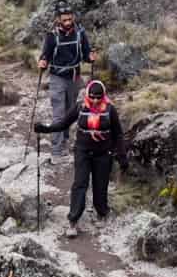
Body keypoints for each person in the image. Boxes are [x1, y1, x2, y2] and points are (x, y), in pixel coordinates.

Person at [33, 79, 128, 239]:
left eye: (99, 97)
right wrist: (45, 128)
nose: (95, 100)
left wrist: (121, 155)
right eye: (92, 96)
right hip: (83, 151)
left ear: (103, 95)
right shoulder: (80, 107)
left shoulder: (110, 110)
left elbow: (118, 134)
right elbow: (63, 124)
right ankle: (73, 220)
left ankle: (102, 213)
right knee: (80, 184)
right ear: (87, 95)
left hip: (103, 153)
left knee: (100, 185)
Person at [36, 10, 93, 164]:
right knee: (59, 114)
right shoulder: (52, 35)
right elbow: (45, 55)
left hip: (74, 77)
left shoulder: (80, 33)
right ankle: (56, 151)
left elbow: (86, 53)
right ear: (58, 20)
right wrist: (42, 61)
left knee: (70, 112)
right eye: (64, 20)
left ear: (73, 17)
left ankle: (65, 141)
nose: (68, 23)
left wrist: (90, 57)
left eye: (70, 19)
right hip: (57, 78)